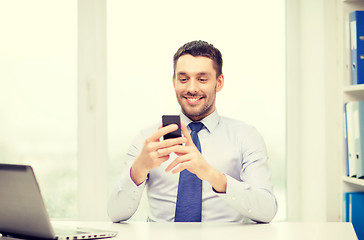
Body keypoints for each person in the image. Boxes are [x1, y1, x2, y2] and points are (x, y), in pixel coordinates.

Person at [107, 40, 278, 223]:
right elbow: (115, 214)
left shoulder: (246, 137)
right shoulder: (147, 140)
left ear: (218, 82)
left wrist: (212, 175)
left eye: (202, 79)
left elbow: (267, 210)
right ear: (174, 82)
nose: (191, 88)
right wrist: (139, 169)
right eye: (183, 79)